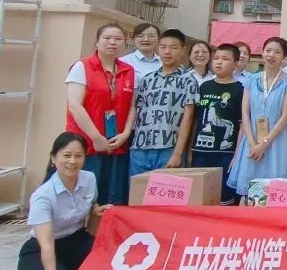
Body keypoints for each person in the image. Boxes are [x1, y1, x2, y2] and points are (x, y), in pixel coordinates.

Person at [16, 133, 110, 270]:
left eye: (78, 155)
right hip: (41, 249)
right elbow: (46, 244)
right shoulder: (42, 196)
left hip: (76, 241)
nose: (72, 161)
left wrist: (96, 209)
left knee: (110, 265)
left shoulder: (89, 178)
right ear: (53, 158)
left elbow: (91, 202)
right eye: (67, 155)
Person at [65, 23, 136, 205]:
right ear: (97, 42)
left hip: (117, 144)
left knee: (114, 197)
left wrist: (125, 134)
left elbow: (131, 106)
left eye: (118, 39)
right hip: (87, 145)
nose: (112, 42)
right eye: (107, 38)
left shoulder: (128, 70)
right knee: (86, 197)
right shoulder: (82, 66)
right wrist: (96, 137)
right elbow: (75, 106)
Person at [227, 37, 287, 198]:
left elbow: (285, 116)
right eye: (268, 50)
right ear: (262, 53)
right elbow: (245, 113)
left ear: (283, 56)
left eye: (277, 52)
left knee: (273, 192)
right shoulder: (251, 80)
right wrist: (253, 143)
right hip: (251, 139)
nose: (271, 55)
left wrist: (264, 144)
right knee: (247, 193)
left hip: (276, 142)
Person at [128, 29, 198, 177]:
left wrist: (178, 153)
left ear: (182, 50)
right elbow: (135, 110)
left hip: (168, 147)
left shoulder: (188, 80)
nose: (167, 52)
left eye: (173, 48)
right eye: (163, 47)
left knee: (165, 191)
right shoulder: (147, 79)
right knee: (137, 191)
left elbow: (188, 118)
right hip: (140, 147)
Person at [192, 43, 244, 204]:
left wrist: (237, 155)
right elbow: (196, 119)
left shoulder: (240, 89)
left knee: (224, 198)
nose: (219, 62)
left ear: (235, 64)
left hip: (226, 154)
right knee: (200, 196)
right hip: (200, 151)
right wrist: (190, 150)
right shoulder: (204, 86)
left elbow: (242, 124)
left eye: (225, 59)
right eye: (216, 58)